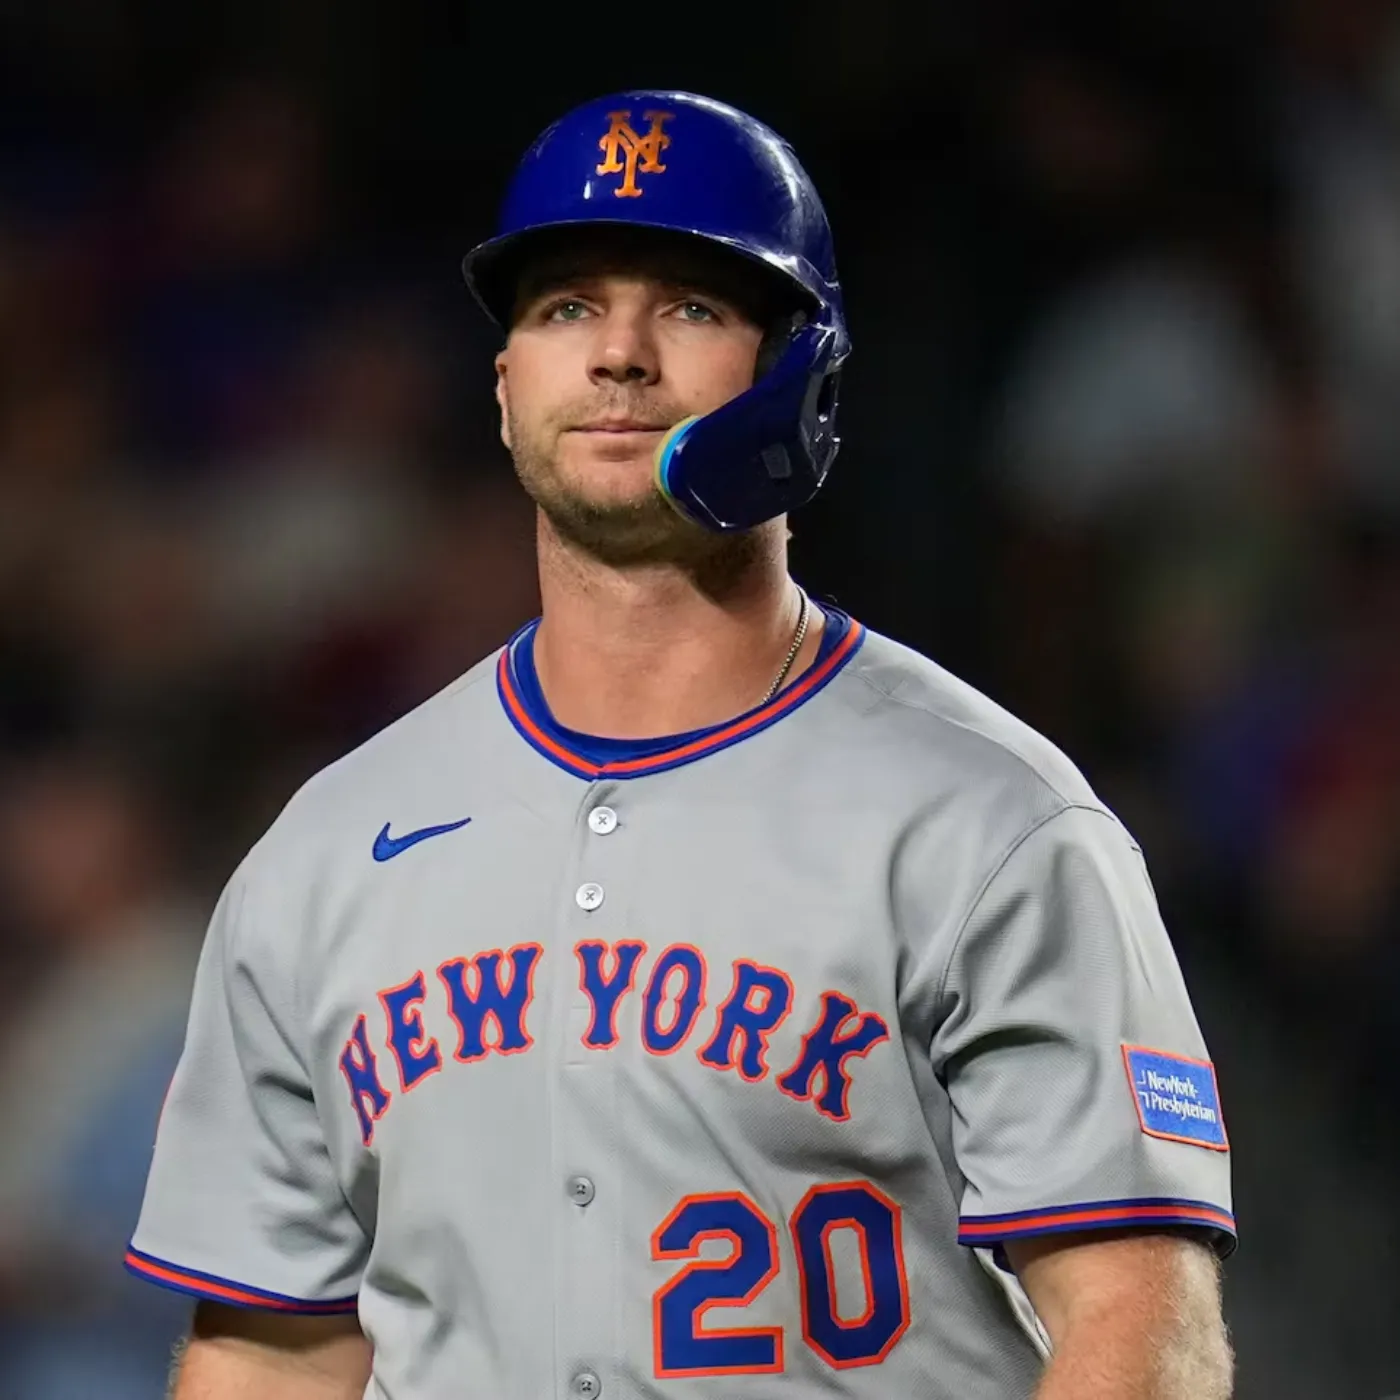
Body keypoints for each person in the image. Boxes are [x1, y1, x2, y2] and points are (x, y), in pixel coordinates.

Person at [127, 90, 1236, 1399]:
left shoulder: (988, 824)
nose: (620, 355)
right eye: (566, 308)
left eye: (693, 307)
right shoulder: (327, 851)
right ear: (504, 388)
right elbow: (271, 1351)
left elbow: (1135, 1317)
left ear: (798, 376)